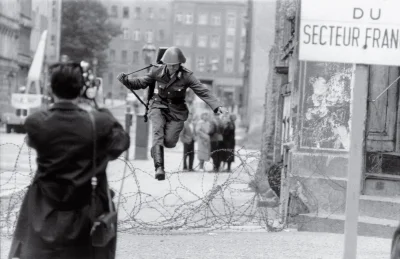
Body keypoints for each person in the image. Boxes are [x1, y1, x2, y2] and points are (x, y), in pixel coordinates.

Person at [8, 62, 130, 259]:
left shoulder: (37, 122)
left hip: (43, 209)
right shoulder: (99, 122)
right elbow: (120, 143)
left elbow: (33, 141)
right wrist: (100, 106)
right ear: (83, 89)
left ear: (50, 88)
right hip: (86, 209)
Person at [117, 46, 227, 180]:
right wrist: (126, 81)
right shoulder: (156, 71)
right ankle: (159, 167)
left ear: (180, 64)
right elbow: (142, 82)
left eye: (175, 65)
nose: (173, 68)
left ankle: (157, 151)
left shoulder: (187, 76)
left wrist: (217, 106)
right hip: (158, 105)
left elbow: (202, 91)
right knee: (157, 132)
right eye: (170, 65)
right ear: (165, 64)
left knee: (169, 142)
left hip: (177, 111)